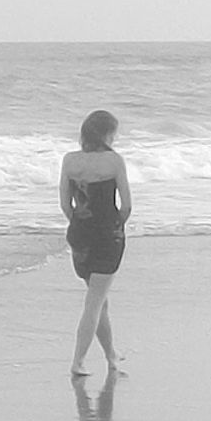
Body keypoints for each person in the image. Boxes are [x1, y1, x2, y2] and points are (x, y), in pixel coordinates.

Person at [59, 110, 131, 377]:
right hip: (106, 235)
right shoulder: (114, 161)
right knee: (94, 301)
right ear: (106, 134)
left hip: (79, 233)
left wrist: (80, 223)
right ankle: (78, 361)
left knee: (99, 299)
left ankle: (111, 355)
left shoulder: (69, 160)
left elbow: (65, 204)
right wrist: (115, 225)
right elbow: (126, 205)